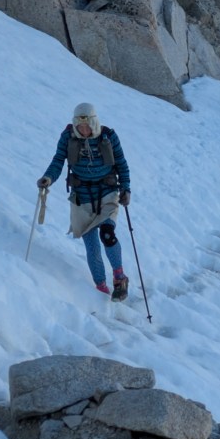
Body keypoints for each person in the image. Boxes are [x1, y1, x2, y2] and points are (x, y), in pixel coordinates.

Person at [37, 102, 132, 301]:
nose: (84, 130)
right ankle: (100, 288)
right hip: (81, 197)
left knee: (107, 234)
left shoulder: (109, 136)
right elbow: (58, 161)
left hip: (107, 193)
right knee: (91, 246)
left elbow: (122, 164)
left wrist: (125, 188)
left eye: (87, 125)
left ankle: (119, 278)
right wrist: (48, 178)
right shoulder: (68, 137)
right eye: (80, 126)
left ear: (94, 122)